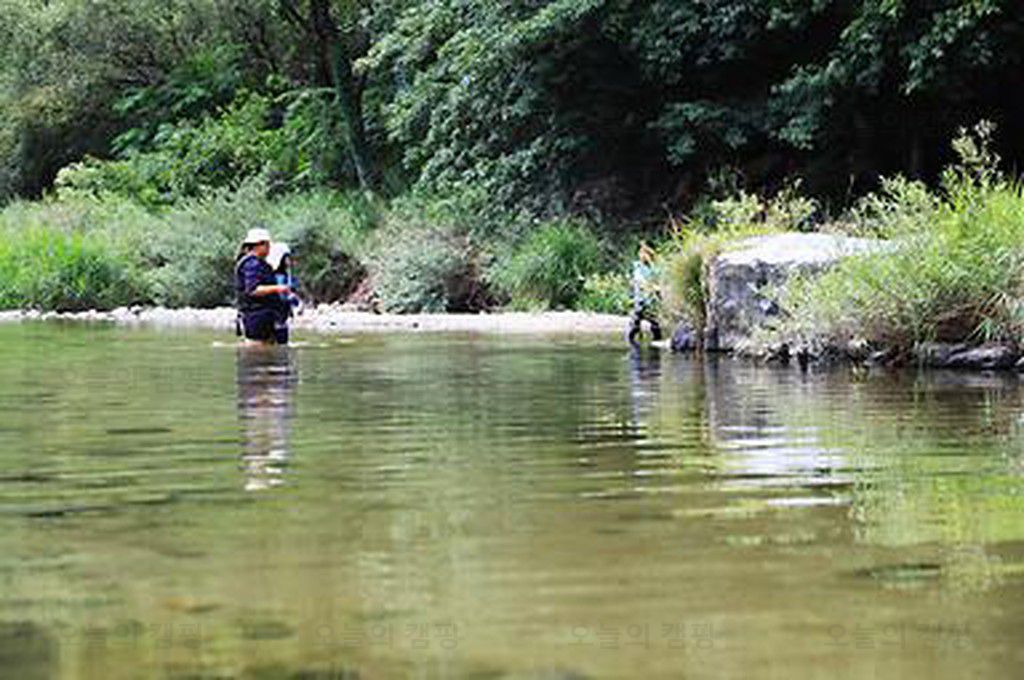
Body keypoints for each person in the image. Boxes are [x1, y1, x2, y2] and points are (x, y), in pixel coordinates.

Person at [235, 227, 291, 345]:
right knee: (257, 353)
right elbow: (253, 290)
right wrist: (279, 288)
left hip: (261, 317)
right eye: (268, 245)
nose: (270, 248)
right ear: (260, 245)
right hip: (256, 317)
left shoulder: (256, 263)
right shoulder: (252, 264)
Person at [626, 241, 663, 346]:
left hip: (652, 301)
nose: (642, 256)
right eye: (641, 254)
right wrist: (650, 286)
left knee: (655, 326)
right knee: (635, 326)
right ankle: (632, 349)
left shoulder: (654, 267)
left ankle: (656, 347)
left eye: (645, 254)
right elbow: (639, 280)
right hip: (641, 300)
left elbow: (658, 277)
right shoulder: (638, 266)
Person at [265, 242, 302, 345]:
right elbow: (282, 296)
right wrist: (293, 300)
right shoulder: (278, 276)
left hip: (280, 317)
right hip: (277, 318)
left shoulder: (283, 275)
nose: (289, 261)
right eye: (286, 258)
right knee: (281, 346)